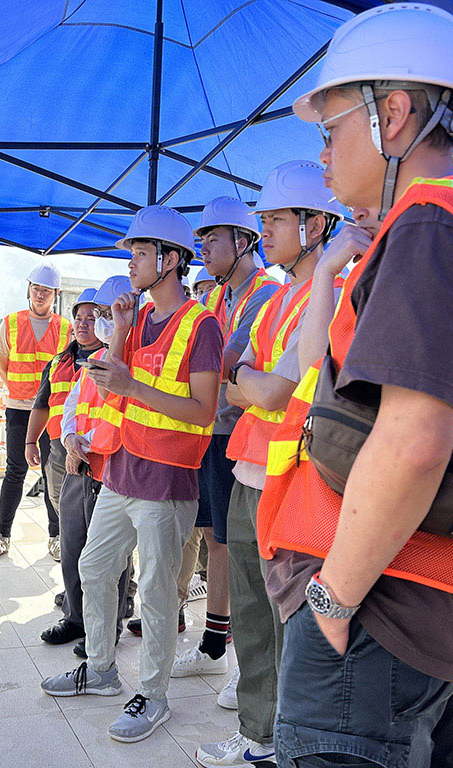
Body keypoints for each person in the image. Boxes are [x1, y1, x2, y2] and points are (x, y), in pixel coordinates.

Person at [256, 5, 453, 767]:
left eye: (330, 129)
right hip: (411, 599)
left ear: (393, 115)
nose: (322, 154)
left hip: (375, 609)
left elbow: (414, 441)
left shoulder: (431, 222)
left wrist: (333, 598)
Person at [40, 205, 223, 744]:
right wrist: (119, 331)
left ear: (170, 260)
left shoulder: (202, 325)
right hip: (122, 472)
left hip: (166, 481)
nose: (131, 263)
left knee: (157, 593)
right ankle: (100, 670)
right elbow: (105, 384)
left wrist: (133, 384)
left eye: (140, 253)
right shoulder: (138, 318)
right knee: (94, 567)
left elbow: (204, 411)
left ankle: (154, 696)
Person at [196, 161, 347, 767]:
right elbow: (236, 377)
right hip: (249, 471)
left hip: (296, 479)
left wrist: (249, 382)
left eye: (276, 220)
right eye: (263, 220)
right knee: (253, 613)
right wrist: (249, 381)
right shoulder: (278, 299)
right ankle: (258, 731)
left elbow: (275, 391)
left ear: (315, 225)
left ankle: (290, 741)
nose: (265, 231)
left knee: (289, 620)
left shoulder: (332, 294)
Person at [169, 197, 279, 684]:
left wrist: (199, 373)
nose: (204, 249)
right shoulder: (215, 298)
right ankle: (216, 642)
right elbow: (200, 361)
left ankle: (250, 665)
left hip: (250, 436)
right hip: (215, 429)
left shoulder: (266, 294)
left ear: (243, 241)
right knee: (218, 539)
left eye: (213, 239)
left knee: (246, 550)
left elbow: (222, 362)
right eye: (202, 240)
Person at [42, 276, 135, 654]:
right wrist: (69, 439)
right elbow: (72, 405)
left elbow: (125, 416)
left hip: (111, 470)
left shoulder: (136, 361)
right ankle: (76, 618)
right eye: (100, 314)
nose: (102, 321)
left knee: (109, 558)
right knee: (73, 546)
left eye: (107, 313)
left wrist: (85, 444)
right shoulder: (93, 362)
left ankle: (106, 628)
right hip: (79, 466)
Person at [0, 262, 70, 562]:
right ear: (28, 290)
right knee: (15, 471)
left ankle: (57, 537)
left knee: (53, 474)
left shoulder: (65, 328)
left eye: (46, 290)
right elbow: (0, 359)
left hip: (51, 411)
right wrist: (16, 387)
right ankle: (2, 536)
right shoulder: (11, 322)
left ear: (55, 294)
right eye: (36, 288)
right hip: (19, 408)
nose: (40, 294)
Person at [25, 287, 103, 568]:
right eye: (79, 318)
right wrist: (30, 442)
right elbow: (41, 404)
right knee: (66, 515)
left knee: (102, 522)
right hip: (59, 450)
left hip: (98, 450)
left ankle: (118, 584)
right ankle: (75, 582)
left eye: (91, 318)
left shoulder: (110, 358)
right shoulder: (58, 363)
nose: (83, 324)